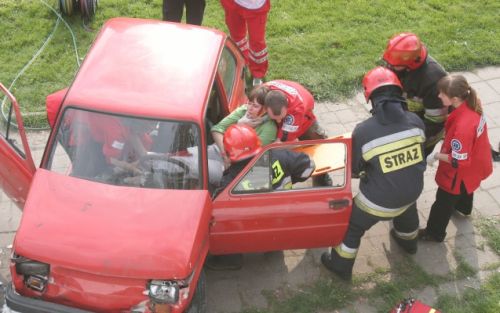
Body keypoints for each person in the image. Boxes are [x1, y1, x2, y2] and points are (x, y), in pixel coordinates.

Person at [321, 67, 426, 281]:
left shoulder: (364, 131)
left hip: (378, 202)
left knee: (352, 225)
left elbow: (356, 169)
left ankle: (340, 265)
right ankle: (409, 243)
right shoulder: (416, 121)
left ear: (370, 98)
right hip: (413, 192)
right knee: (405, 207)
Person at [419, 75, 493, 242]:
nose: (438, 96)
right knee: (467, 186)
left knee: (442, 203)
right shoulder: (473, 103)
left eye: (442, 94)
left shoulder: (463, 127)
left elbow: (459, 161)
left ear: (454, 98)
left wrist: (436, 155)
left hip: (458, 173)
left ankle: (434, 233)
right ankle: (463, 207)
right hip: (476, 162)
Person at [383, 32, 448, 157]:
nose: (389, 66)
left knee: (412, 166)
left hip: (424, 133)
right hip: (406, 119)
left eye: (394, 65)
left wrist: (407, 139)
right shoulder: (398, 64)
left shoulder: (433, 81)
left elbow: (435, 122)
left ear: (410, 65)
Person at [213, 124, 315, 197]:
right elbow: (309, 166)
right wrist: (290, 178)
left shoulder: (229, 183)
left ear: (227, 152)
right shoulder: (281, 156)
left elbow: (219, 208)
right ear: (257, 142)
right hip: (285, 208)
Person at [263, 80, 331, 186]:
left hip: (305, 120)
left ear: (287, 106)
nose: (279, 122)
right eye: (274, 119)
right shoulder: (264, 90)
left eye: (281, 118)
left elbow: (281, 144)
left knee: (318, 147)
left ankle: (322, 181)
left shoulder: (297, 110)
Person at [211, 85, 277, 168]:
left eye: (255, 106)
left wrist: (243, 128)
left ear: (265, 109)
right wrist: (224, 155)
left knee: (194, 167)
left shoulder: (269, 128)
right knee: (191, 157)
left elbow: (248, 155)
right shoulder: (244, 110)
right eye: (249, 103)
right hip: (221, 150)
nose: (250, 108)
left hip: (237, 165)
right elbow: (216, 129)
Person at [220, 0, 270, 86]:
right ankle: (241, 62)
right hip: (232, 3)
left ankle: (257, 72)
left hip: (255, 5)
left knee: (256, 41)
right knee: (236, 36)